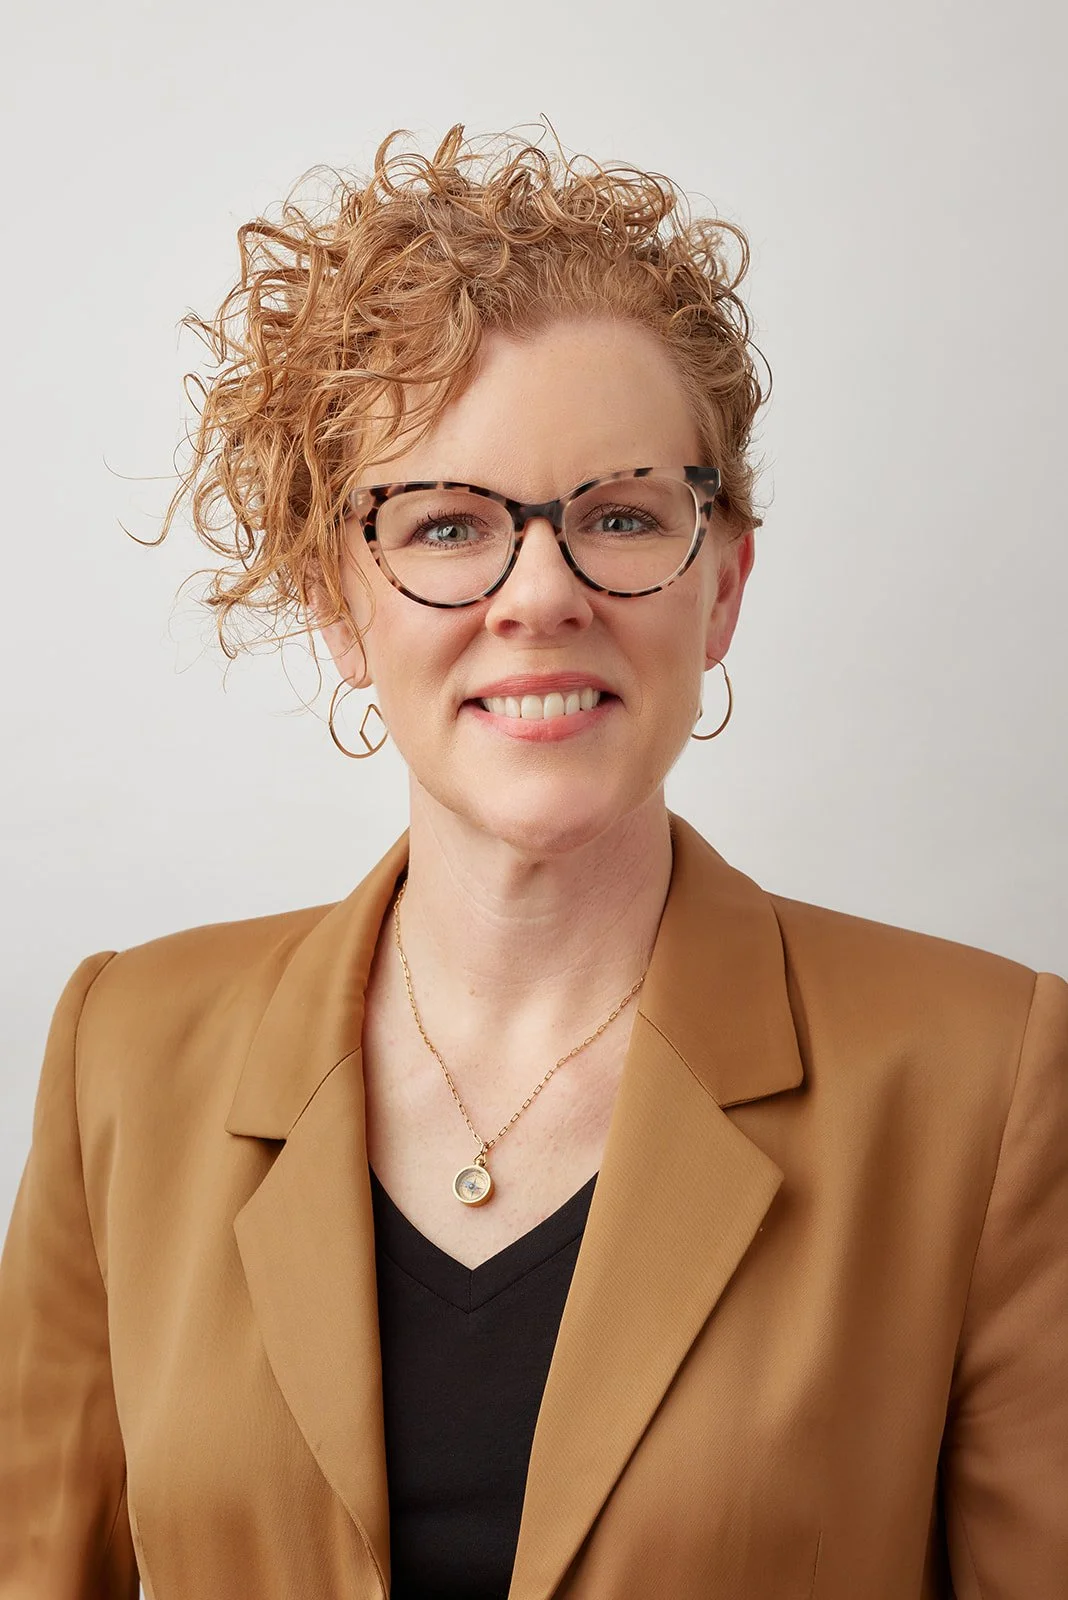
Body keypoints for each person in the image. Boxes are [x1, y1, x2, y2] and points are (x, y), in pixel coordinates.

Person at [0, 122, 1065, 1600]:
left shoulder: (989, 1076)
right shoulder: (122, 1053)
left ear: (725, 583)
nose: (543, 595)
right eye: (448, 526)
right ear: (336, 602)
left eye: (622, 518)